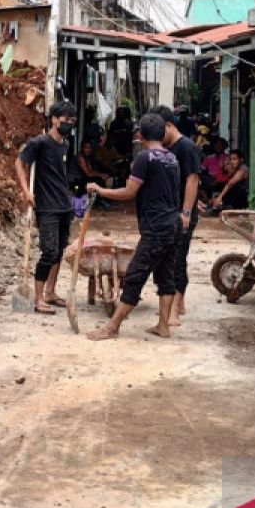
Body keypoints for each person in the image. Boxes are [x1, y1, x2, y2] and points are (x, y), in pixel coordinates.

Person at [85, 114, 182, 341]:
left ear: (140, 135)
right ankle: (163, 326)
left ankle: (112, 327)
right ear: (163, 133)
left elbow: (129, 191)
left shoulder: (144, 157)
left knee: (135, 275)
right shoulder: (172, 158)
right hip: (173, 224)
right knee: (166, 275)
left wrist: (101, 190)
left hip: (156, 227)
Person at [15, 102, 77, 315]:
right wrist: (26, 191)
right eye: (64, 119)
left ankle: (51, 292)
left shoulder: (66, 145)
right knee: (49, 251)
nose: (68, 123)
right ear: (53, 119)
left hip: (63, 205)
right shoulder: (39, 143)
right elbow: (19, 162)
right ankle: (38, 297)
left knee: (59, 251)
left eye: (71, 120)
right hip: (47, 207)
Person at [152, 106, 202, 328]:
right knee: (166, 258)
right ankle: (177, 303)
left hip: (182, 214)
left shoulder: (187, 147)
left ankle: (174, 310)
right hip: (168, 212)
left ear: (169, 126)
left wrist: (187, 211)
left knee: (177, 259)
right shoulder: (166, 147)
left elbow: (192, 180)